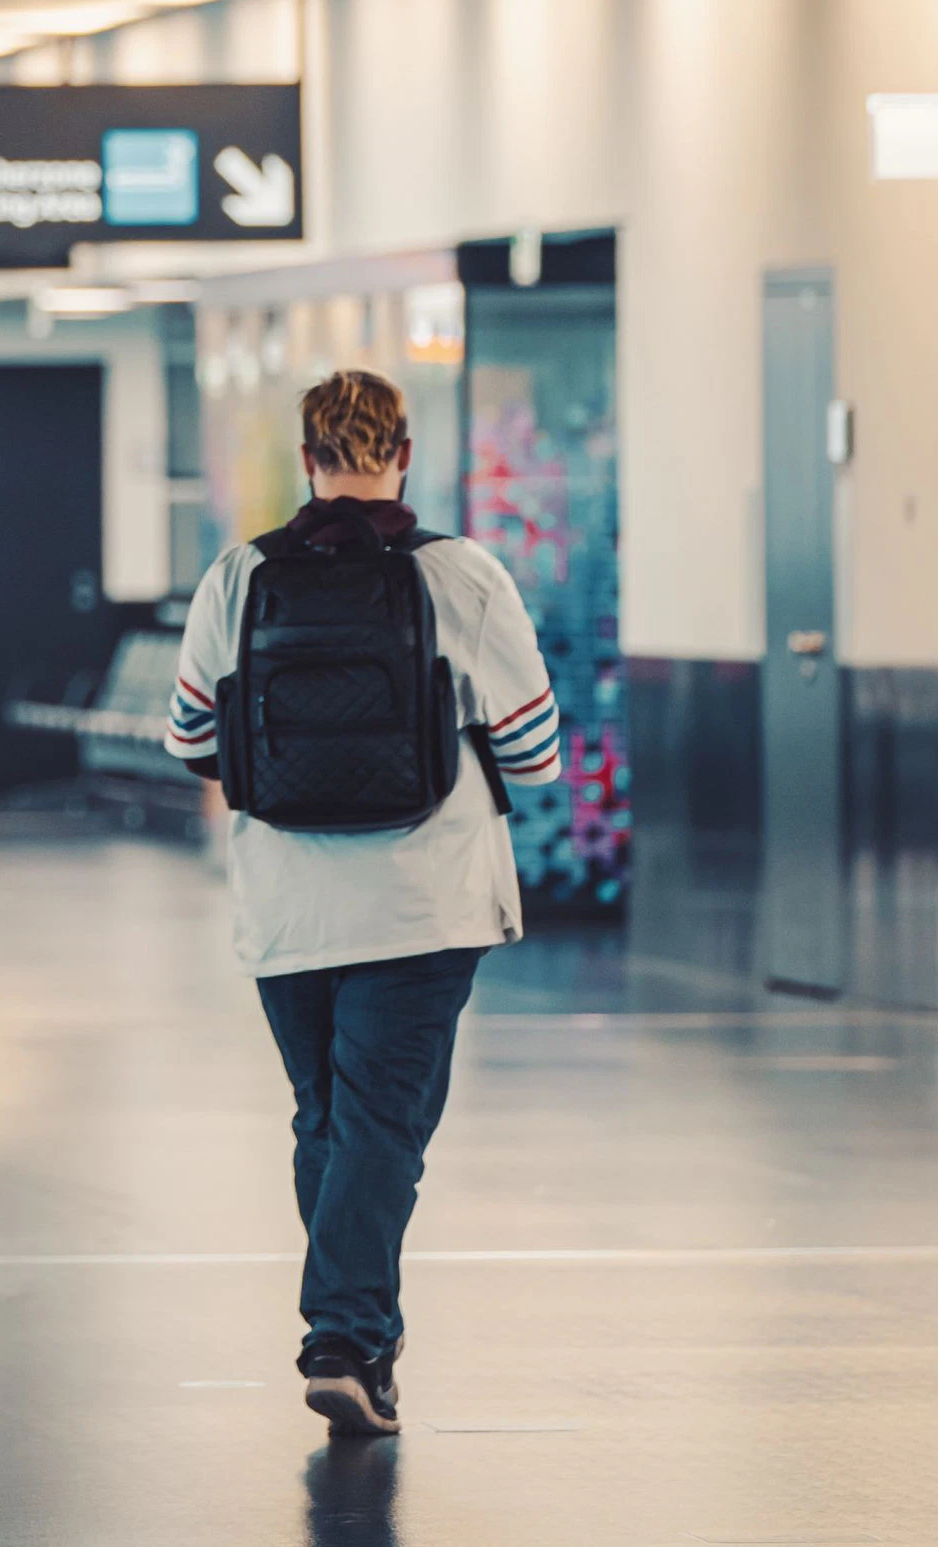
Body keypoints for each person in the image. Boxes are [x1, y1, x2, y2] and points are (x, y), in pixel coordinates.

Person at [164, 368, 560, 1440]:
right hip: (425, 900)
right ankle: (342, 1338)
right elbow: (535, 753)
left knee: (326, 1120)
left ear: (307, 460)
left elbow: (190, 739)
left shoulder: (240, 576)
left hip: (287, 902)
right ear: (404, 456)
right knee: (381, 1121)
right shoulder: (461, 575)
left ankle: (362, 1339)